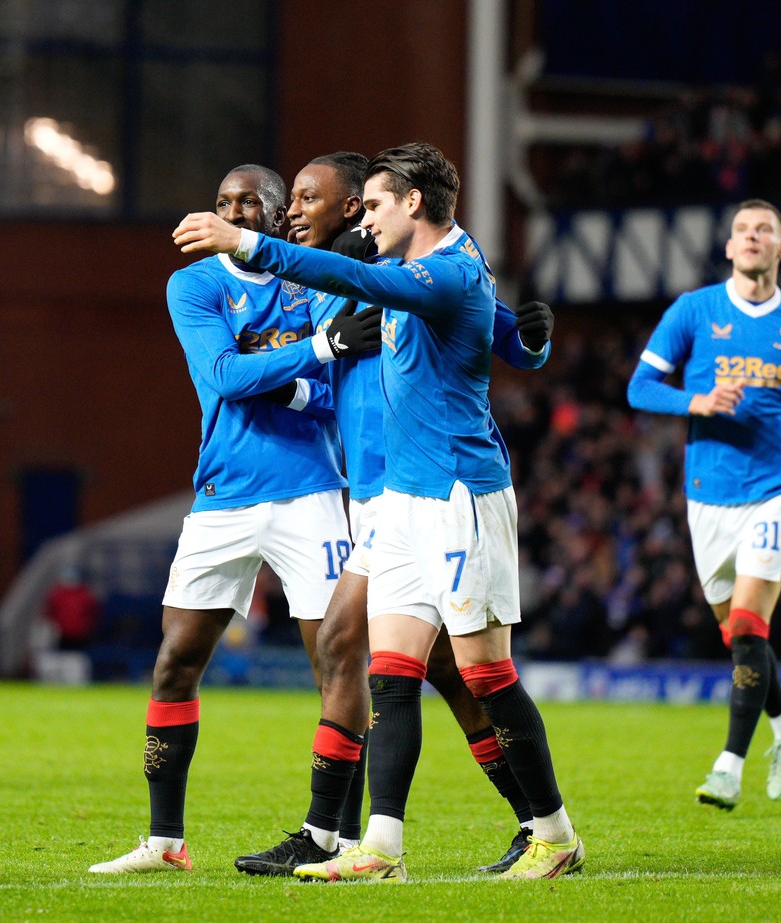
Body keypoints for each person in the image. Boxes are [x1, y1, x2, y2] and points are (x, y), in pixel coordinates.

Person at [174, 141, 583, 881]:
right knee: (383, 663)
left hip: (443, 489)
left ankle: (540, 828)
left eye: (310, 197)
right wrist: (309, 365)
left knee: (466, 674)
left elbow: (476, 318)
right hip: (385, 497)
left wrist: (247, 244)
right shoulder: (359, 277)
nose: (294, 210)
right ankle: (366, 842)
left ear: (374, 204)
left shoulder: (403, 269)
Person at [88, 164, 381, 874]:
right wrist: (310, 355)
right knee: (174, 662)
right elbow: (222, 376)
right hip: (221, 495)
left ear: (279, 216)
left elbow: (331, 395)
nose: (234, 210)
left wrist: (291, 379)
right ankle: (164, 841)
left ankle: (336, 837)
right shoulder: (193, 284)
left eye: (251, 201)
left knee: (338, 661)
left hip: (311, 489)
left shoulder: (309, 281)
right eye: (222, 201)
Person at [627, 199, 781, 810]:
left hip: (777, 490)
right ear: (729, 247)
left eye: (765, 231)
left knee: (753, 625)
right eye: (742, 230)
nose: (752, 238)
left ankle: (729, 764)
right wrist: (696, 402)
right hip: (708, 495)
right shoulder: (694, 311)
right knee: (739, 636)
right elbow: (641, 385)